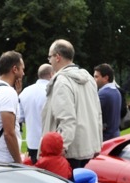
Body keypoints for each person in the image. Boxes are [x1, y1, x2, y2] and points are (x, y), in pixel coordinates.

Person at [41, 39, 102, 169]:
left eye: (50, 56)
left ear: (57, 57)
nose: (49, 61)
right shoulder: (90, 79)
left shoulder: (62, 81)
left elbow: (66, 119)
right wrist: (97, 143)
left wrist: (60, 148)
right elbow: (98, 114)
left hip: (68, 152)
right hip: (87, 147)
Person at [0, 50, 24, 164]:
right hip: (4, 160)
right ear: (15, 69)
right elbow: (9, 133)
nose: (23, 73)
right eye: (22, 69)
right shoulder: (7, 92)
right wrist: (19, 163)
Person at [18, 63, 52, 163]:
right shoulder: (52, 91)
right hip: (49, 144)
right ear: (51, 74)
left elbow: (20, 117)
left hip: (32, 142)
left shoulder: (25, 92)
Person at [93, 63, 122, 141]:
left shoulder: (103, 94)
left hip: (106, 138)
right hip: (115, 135)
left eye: (96, 77)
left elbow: (91, 114)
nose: (94, 79)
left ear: (105, 78)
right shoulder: (116, 91)